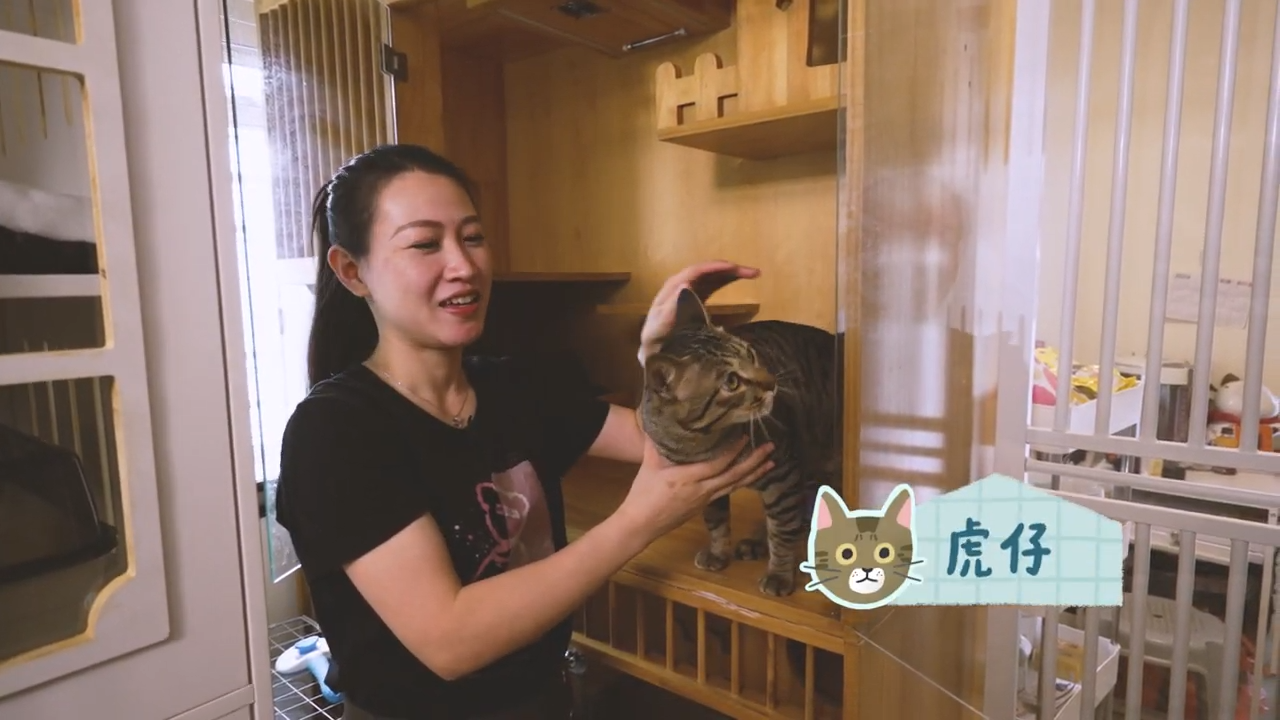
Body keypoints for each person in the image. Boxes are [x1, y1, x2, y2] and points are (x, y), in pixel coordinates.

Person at [274, 143, 773, 720]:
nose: (463, 265)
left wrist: (668, 356)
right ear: (352, 271)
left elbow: (663, 441)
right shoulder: (335, 432)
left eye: (473, 237)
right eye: (425, 244)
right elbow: (449, 640)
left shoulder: (517, 387)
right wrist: (638, 520)